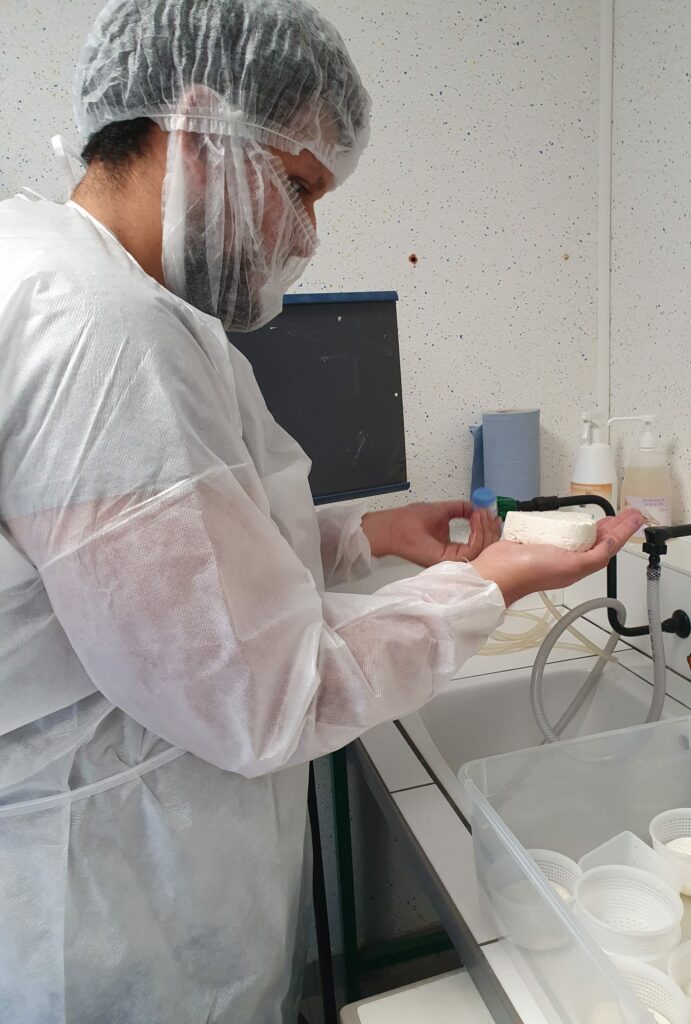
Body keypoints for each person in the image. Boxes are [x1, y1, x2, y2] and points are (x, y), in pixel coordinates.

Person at [0, 0, 644, 1021]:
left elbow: (174, 559)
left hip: (140, 870)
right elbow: (264, 693)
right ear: (200, 128)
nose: (305, 232)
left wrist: (365, 535)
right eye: (299, 186)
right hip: (108, 917)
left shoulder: (92, 287)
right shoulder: (102, 330)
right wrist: (490, 585)